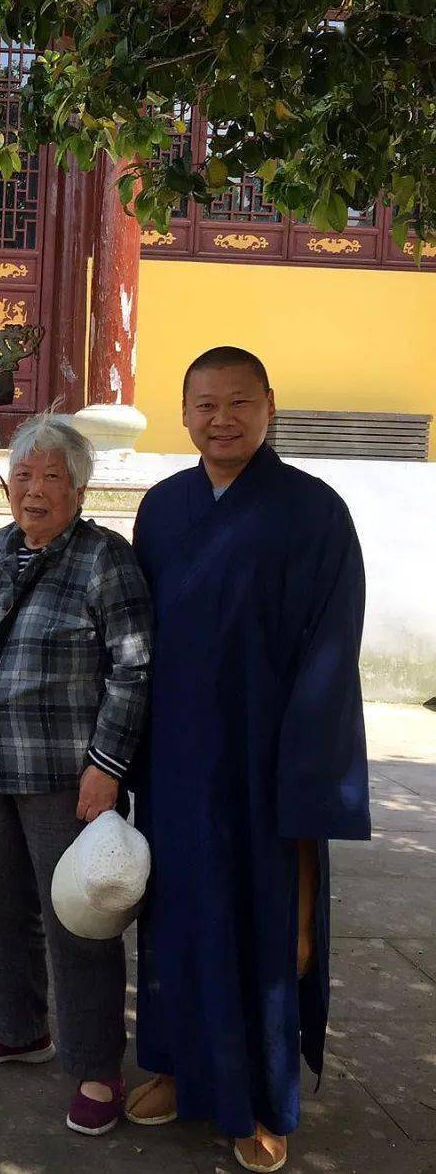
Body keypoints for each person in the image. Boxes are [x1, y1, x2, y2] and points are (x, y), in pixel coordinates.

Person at [125, 347, 371, 1172]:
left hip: (268, 765)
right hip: (177, 761)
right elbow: (136, 643)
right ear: (183, 411)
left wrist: (310, 781)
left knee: (265, 931)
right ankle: (176, 1066)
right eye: (205, 403)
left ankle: (260, 1101)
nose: (221, 418)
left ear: (270, 405)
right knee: (177, 920)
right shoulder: (161, 509)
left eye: (239, 402)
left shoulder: (313, 512)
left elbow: (332, 654)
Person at [0, 412, 153, 1137]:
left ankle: (96, 1064)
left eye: (53, 475)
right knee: (2, 904)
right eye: (23, 474)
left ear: (80, 488)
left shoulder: (105, 559)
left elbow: (135, 667)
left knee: (79, 919)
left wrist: (106, 765)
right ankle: (19, 1025)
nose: (35, 488)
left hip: (64, 773)